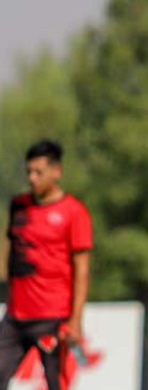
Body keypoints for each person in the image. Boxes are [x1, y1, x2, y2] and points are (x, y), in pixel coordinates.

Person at [0, 140, 93, 390]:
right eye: (29, 172)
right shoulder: (19, 205)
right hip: (15, 316)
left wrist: (75, 320)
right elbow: (11, 251)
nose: (32, 178)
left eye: (39, 172)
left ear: (56, 171)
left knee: (56, 384)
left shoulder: (74, 212)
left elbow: (82, 269)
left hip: (52, 317)